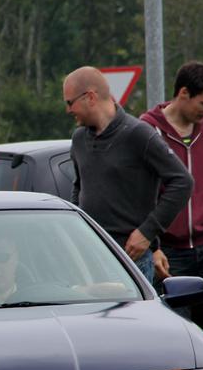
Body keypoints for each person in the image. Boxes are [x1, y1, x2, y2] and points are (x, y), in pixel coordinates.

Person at [140, 62, 203, 370]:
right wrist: (153, 247)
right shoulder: (147, 130)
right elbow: (141, 192)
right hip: (170, 249)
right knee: (179, 332)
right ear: (183, 94)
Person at [64, 66, 193, 283]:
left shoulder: (139, 134)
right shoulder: (78, 140)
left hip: (131, 259)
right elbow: (79, 187)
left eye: (70, 102)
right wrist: (79, 231)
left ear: (90, 97)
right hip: (91, 257)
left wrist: (147, 233)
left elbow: (182, 182)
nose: (68, 110)